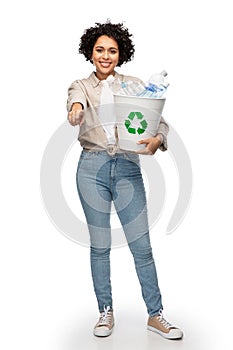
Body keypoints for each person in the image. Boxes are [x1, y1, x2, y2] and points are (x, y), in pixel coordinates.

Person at [67, 20, 183, 340]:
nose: (106, 56)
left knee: (141, 246)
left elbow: (158, 121)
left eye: (112, 51)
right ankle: (106, 311)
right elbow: (75, 102)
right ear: (90, 53)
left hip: (128, 168)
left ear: (121, 54)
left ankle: (155, 315)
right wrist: (76, 111)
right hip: (92, 170)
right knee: (100, 246)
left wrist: (158, 139)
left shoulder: (132, 84)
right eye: (100, 50)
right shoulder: (81, 85)